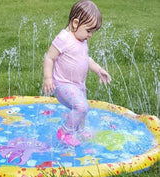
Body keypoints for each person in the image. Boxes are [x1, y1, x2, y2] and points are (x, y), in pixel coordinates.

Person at [43, 0, 111, 146]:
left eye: (92, 32)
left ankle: (78, 131)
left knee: (83, 110)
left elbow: (86, 59)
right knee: (81, 107)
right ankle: (65, 132)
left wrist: (99, 70)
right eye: (89, 31)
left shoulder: (81, 40)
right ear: (75, 23)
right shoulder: (64, 38)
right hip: (62, 84)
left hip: (78, 85)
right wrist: (48, 78)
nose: (90, 35)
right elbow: (49, 57)